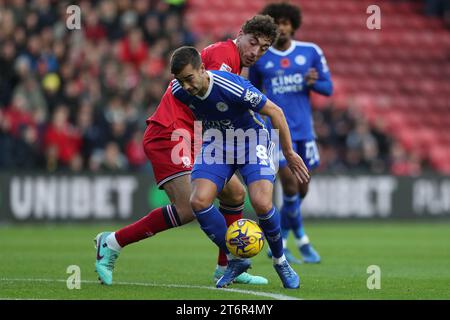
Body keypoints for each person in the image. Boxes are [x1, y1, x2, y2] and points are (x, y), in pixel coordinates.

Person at [94, 15, 279, 286]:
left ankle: (224, 267)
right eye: (252, 43)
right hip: (170, 132)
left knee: (235, 193)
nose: (255, 52)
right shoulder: (223, 56)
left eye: (263, 49)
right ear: (240, 35)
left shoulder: (233, 61)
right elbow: (214, 100)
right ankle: (111, 243)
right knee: (188, 207)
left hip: (192, 134)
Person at [170, 46, 310, 288]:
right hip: (217, 142)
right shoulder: (178, 91)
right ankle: (236, 258)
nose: (186, 86)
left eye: (189, 79)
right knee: (198, 202)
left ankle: (280, 261)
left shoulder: (231, 86)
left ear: (202, 69)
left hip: (252, 140)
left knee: (262, 203)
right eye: (181, 81)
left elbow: (275, 112)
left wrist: (288, 152)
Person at [249, 3, 333, 264]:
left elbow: (328, 88)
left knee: (301, 190)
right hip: (275, 134)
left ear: (294, 26)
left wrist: (313, 82)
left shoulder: (310, 52)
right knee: (289, 184)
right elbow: (251, 92)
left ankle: (296, 237)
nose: (283, 28)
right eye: (278, 23)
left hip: (304, 133)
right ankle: (285, 246)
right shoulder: (261, 57)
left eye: (287, 23)